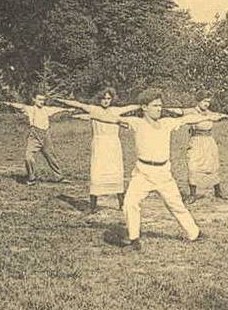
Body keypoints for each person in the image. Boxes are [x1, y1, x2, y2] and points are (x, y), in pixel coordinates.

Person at [88, 88, 215, 251]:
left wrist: (211, 116)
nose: (159, 109)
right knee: (129, 203)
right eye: (155, 106)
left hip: (163, 173)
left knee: (176, 205)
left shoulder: (167, 123)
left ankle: (195, 233)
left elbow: (187, 119)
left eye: (160, 105)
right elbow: (109, 117)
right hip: (142, 173)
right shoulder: (136, 123)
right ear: (144, 107)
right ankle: (134, 240)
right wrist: (89, 113)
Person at [55, 87, 140, 214]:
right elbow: (78, 104)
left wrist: (144, 104)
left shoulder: (116, 110)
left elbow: (131, 107)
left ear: (112, 99)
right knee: (96, 173)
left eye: (108, 98)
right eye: (103, 98)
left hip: (113, 146)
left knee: (116, 172)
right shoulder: (93, 109)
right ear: (99, 99)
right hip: (99, 145)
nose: (106, 101)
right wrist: (59, 100)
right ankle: (93, 206)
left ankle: (122, 204)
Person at [167, 93, 228, 203]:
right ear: (198, 101)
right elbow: (179, 111)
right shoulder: (191, 111)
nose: (206, 104)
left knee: (213, 165)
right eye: (204, 101)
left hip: (209, 141)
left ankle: (218, 191)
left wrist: (226, 116)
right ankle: (192, 194)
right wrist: (165, 109)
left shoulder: (209, 113)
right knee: (193, 165)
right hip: (196, 141)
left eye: (208, 102)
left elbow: (219, 115)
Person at [6, 94, 75, 185]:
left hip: (46, 135)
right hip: (34, 135)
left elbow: (58, 109)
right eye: (39, 99)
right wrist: (8, 103)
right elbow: (20, 106)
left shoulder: (46, 109)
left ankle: (59, 177)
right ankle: (31, 178)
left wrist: (69, 109)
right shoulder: (30, 109)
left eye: (43, 100)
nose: (42, 102)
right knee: (28, 157)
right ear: (34, 99)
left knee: (51, 157)